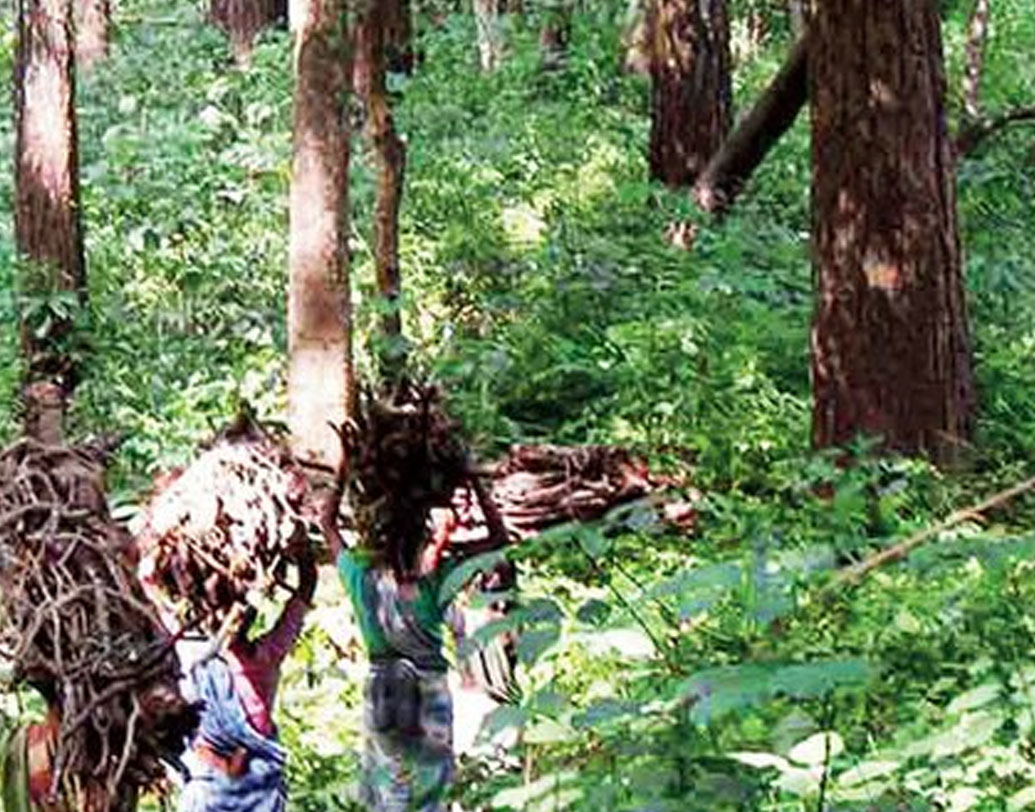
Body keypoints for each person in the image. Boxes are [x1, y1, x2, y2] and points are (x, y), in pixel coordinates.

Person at [171, 539, 317, 812]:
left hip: (213, 787)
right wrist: (302, 550)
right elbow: (306, 588)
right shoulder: (265, 655)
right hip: (255, 789)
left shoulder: (190, 657)